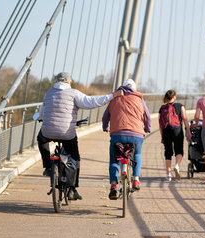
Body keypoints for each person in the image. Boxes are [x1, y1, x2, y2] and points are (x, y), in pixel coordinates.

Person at [38, 72, 119, 200]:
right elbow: (91, 101)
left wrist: (40, 118)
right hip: (67, 133)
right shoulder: (74, 93)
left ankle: (47, 166)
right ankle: (73, 189)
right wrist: (111, 96)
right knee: (75, 158)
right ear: (69, 82)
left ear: (56, 81)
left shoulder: (49, 93)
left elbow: (42, 111)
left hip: (48, 131)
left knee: (41, 139)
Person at [102, 79, 151, 200]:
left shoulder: (114, 98)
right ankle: (135, 180)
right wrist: (147, 128)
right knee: (137, 153)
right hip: (136, 134)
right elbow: (147, 117)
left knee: (114, 159)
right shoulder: (139, 99)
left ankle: (113, 185)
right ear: (134, 88)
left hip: (117, 134)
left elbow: (105, 117)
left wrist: (105, 127)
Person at [158, 90, 191, 181]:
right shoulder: (180, 106)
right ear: (174, 97)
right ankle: (177, 166)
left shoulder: (162, 108)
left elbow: (160, 124)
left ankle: (168, 174)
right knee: (179, 150)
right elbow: (184, 119)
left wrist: (162, 136)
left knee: (168, 152)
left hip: (166, 131)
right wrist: (188, 131)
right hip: (177, 130)